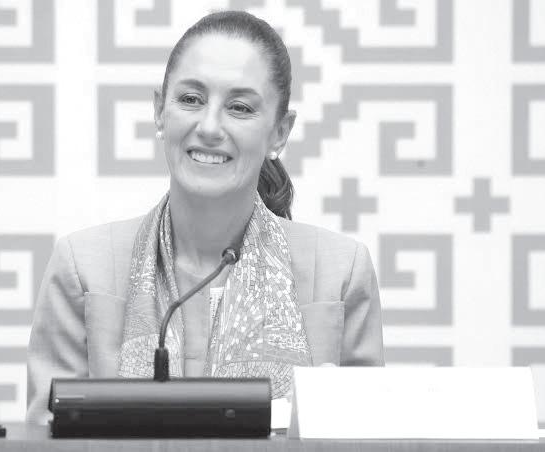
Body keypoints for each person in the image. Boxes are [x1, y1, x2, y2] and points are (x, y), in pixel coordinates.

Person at [26, 10, 383, 425]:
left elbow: (368, 436)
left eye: (240, 107)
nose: (210, 127)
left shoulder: (340, 272)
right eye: (191, 100)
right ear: (159, 111)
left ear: (280, 132)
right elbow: (44, 438)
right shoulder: (83, 267)